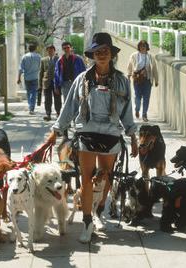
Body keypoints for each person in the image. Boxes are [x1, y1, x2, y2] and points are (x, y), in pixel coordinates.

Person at [47, 32, 138, 243]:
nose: (102, 55)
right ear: (92, 55)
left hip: (110, 134)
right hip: (86, 133)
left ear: (111, 54)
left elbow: (127, 113)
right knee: (87, 179)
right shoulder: (82, 79)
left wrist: (133, 136)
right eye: (98, 52)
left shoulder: (122, 81)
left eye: (105, 51)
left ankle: (98, 210)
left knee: (106, 176)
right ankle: (87, 222)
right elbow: (69, 108)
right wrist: (55, 132)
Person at [127, 40, 158, 122]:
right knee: (137, 97)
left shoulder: (150, 57)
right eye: (141, 45)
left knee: (146, 98)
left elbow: (154, 68)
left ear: (147, 47)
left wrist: (156, 80)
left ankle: (144, 114)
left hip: (147, 80)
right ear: (138, 47)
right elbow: (130, 66)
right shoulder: (134, 56)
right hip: (137, 79)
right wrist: (128, 75)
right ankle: (137, 109)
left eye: (144, 46)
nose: (142, 47)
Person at [39, 44, 61, 121]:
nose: (50, 52)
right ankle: (48, 114)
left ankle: (58, 113)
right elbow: (41, 72)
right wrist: (40, 85)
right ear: (47, 51)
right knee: (47, 99)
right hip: (46, 82)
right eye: (49, 50)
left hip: (56, 83)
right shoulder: (43, 60)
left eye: (52, 50)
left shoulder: (59, 59)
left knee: (57, 99)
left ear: (54, 51)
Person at [17, 43, 41, 115]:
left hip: (27, 77)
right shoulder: (38, 57)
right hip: (35, 77)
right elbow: (40, 67)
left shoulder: (24, 57)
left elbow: (21, 68)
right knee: (34, 93)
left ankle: (30, 105)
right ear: (35, 49)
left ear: (28, 49)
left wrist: (18, 78)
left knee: (28, 92)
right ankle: (31, 108)